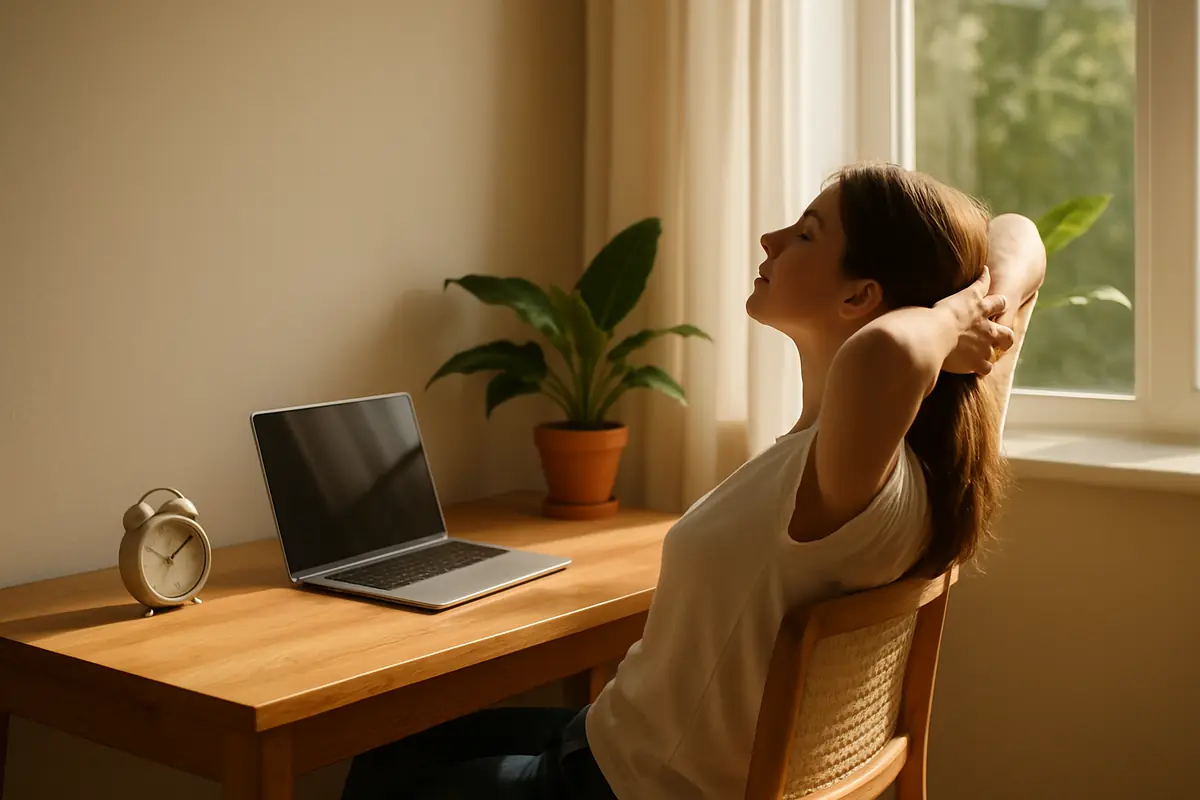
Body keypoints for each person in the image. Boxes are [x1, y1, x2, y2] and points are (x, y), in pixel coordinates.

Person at [339, 162, 1047, 800]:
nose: (770, 240)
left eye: (805, 234)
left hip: (628, 784)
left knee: (375, 775)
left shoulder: (855, 481)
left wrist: (954, 317)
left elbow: (887, 350)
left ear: (861, 296)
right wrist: (986, 308)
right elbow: (1020, 236)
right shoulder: (921, 452)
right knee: (393, 747)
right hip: (615, 738)